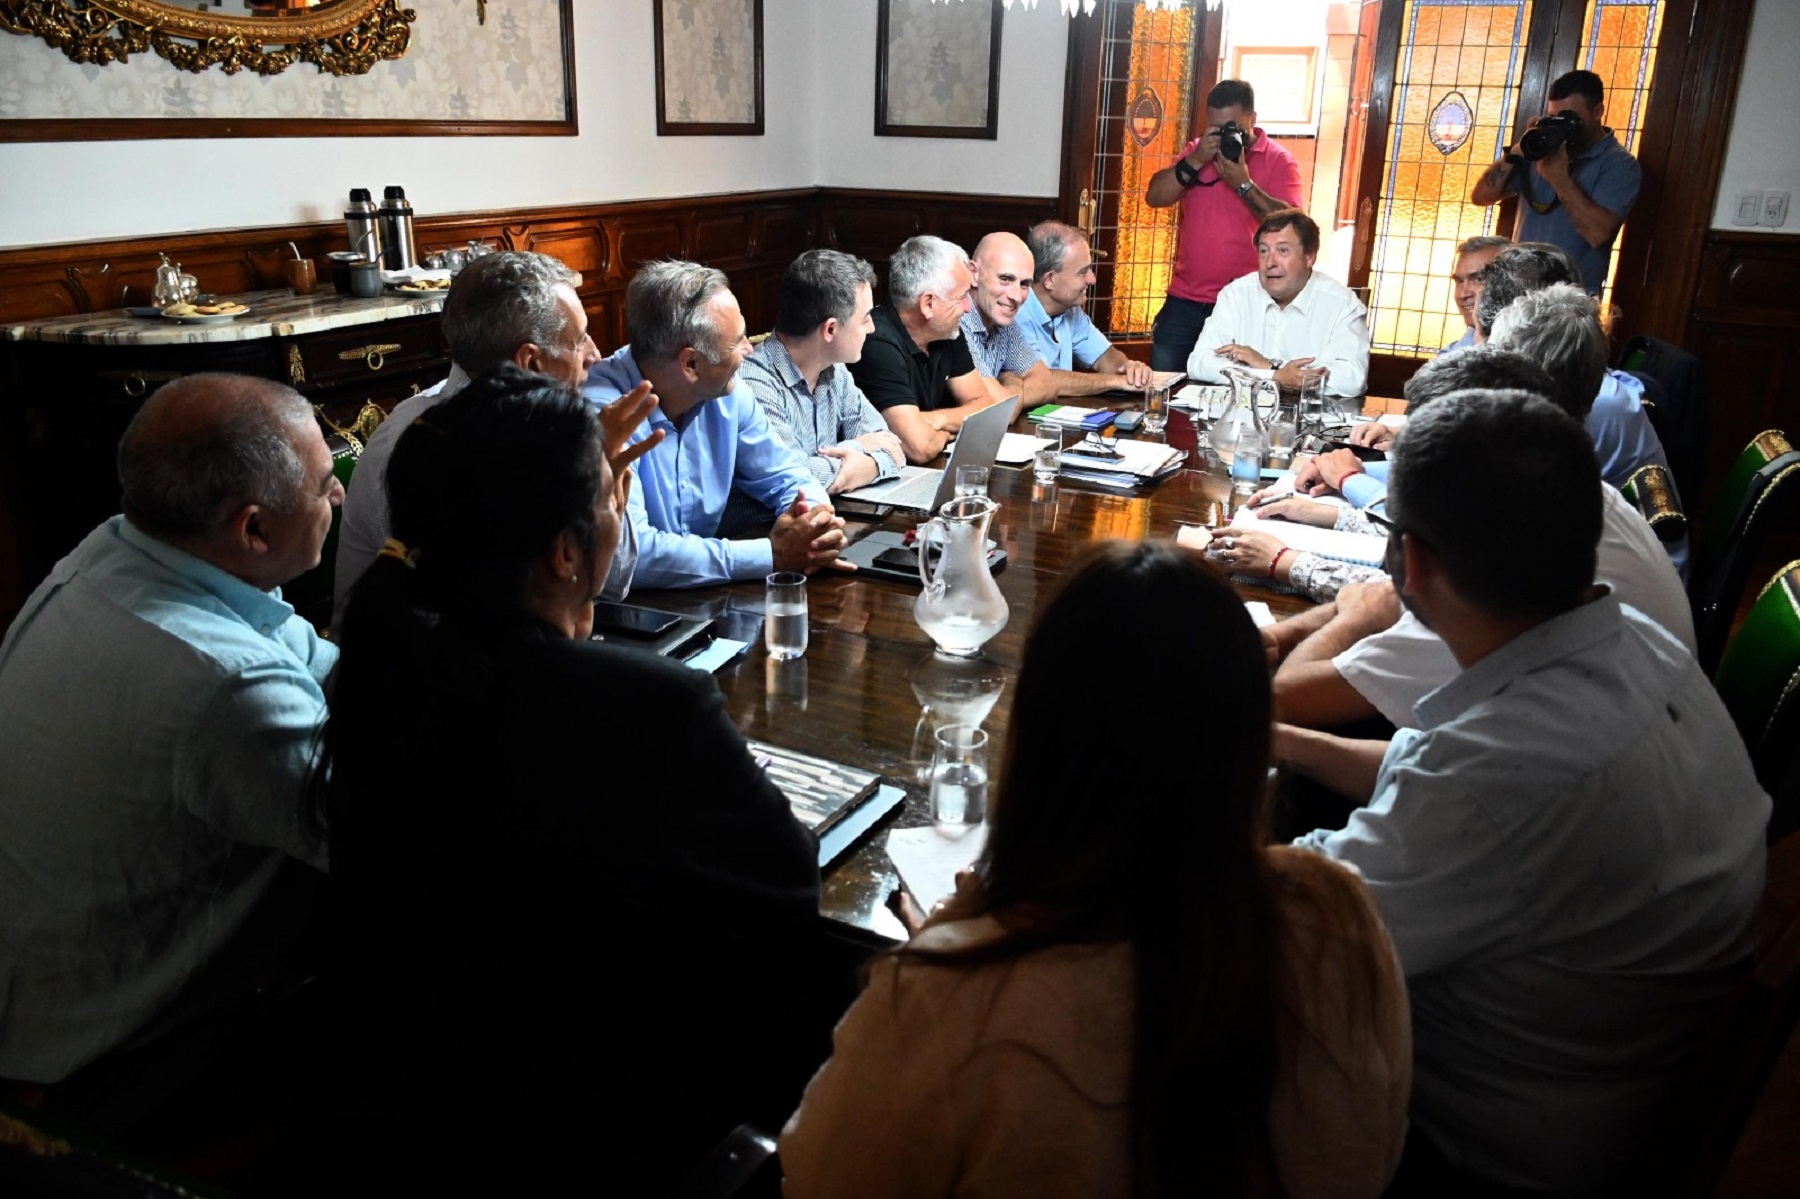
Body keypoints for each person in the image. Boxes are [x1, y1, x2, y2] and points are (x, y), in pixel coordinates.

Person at [319, 366, 829, 1190]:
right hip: (595, 1126)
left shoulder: (384, 668)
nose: (618, 509)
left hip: (416, 1111)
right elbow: (787, 888)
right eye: (608, 497)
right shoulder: (645, 705)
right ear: (564, 549)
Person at [780, 541, 1411, 1198]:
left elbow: (811, 1178)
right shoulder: (1339, 914)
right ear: (1252, 732)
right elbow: (1377, 1149)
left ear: (1038, 731)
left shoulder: (952, 995)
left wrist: (959, 943)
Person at [1283, 390, 1767, 1193]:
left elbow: (1285, 929)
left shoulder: (1500, 777)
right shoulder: (1633, 641)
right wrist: (1286, 744)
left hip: (1480, 1146)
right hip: (1612, 1060)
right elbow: (1427, 763)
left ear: (1412, 562)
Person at [0, 374, 339, 1123]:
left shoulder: (115, 552)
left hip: (40, 996)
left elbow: (313, 660)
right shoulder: (226, 684)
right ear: (253, 528)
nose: (341, 497)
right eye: (325, 484)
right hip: (112, 1063)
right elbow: (398, 840)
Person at [1243, 345, 1695, 731]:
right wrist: (1287, 632)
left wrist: (1346, 611)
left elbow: (1280, 703)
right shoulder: (1568, 500)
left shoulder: (1485, 608)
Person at [333, 250, 637, 628]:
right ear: (531, 363)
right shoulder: (429, 441)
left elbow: (615, 583)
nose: (595, 354)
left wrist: (604, 478)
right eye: (578, 340)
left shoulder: (557, 422)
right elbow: (489, 614)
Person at [584, 259, 845, 589]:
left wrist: (813, 525)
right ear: (691, 363)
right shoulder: (604, 415)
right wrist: (771, 555)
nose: (751, 351)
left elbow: (787, 474)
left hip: (701, 603)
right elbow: (630, 557)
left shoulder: (729, 392)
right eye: (738, 341)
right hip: (617, 619)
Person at [1144, 79, 1304, 372]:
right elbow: (1154, 196)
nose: (1225, 136)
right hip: (1185, 300)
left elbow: (1292, 225)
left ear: (1252, 120)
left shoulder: (1279, 161)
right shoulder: (1198, 152)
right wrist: (1195, 159)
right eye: (1216, 129)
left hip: (1245, 301)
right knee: (1164, 389)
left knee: (1236, 386)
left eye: (1233, 128)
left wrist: (1242, 183)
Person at [737, 249, 905, 495]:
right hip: (764, 530)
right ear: (830, 329)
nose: (871, 328)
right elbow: (795, 479)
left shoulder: (835, 369)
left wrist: (864, 465)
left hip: (826, 518)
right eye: (865, 317)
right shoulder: (753, 384)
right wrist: (858, 448)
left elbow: (889, 446)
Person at [1470, 69, 1641, 295]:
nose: (1561, 125)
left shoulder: (1619, 164)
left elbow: (1598, 234)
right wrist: (1516, 153)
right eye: (1554, 116)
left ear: (1597, 111)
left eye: (1570, 118)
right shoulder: (1542, 150)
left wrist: (1560, 180)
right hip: (1519, 292)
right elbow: (1481, 197)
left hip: (1569, 301)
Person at [849, 234, 1010, 463]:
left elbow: (985, 409)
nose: (967, 308)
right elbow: (920, 447)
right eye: (962, 296)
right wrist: (947, 433)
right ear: (928, 304)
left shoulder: (947, 331)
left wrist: (936, 421)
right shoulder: (877, 344)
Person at [1186, 208, 1370, 398]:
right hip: (1243, 416)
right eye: (1264, 251)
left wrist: (1268, 365)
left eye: (1283, 250)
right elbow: (1199, 362)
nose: (1270, 262)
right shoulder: (1236, 294)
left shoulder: (1342, 304)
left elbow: (1352, 379)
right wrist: (1273, 376)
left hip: (1309, 420)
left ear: (1309, 257)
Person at [1015, 220, 1155, 395]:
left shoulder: (1070, 309)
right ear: (1049, 279)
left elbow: (1105, 355)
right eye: (1083, 272)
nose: (1092, 279)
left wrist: (1128, 369)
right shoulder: (1015, 312)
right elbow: (1041, 379)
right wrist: (1115, 381)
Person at [960, 231, 1055, 404]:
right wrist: (1013, 379)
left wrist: (1009, 394)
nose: (1016, 296)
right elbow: (999, 408)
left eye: (1024, 284)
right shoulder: (958, 321)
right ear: (974, 274)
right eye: (1005, 279)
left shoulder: (1004, 323)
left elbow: (1047, 384)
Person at [1439, 233, 1510, 353]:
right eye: (1459, 281)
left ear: (1511, 280)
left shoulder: (1539, 347)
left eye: (1478, 279)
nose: (1462, 294)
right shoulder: (1451, 354)